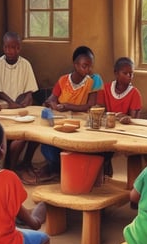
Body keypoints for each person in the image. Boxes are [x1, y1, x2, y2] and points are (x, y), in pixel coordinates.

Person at [39, 46, 102, 180]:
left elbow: (90, 106)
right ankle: (58, 168)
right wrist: (53, 104)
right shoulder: (63, 80)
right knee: (47, 146)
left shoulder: (93, 81)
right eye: (85, 66)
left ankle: (64, 170)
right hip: (60, 122)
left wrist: (68, 106)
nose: (88, 70)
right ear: (75, 65)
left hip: (80, 124)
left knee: (79, 148)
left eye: (90, 66)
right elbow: (51, 99)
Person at [0, 32, 40, 177]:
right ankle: (10, 169)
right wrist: (10, 103)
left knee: (35, 133)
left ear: (19, 48)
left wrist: (25, 100)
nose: (10, 51)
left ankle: (23, 163)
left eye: (14, 47)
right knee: (13, 138)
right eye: (7, 47)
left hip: (20, 110)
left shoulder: (25, 64)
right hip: (4, 108)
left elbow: (30, 91)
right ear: (3, 47)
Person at [97, 57, 142, 177]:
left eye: (131, 73)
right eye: (125, 73)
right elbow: (99, 111)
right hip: (106, 129)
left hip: (124, 132)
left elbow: (132, 120)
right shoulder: (105, 89)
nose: (129, 76)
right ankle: (103, 168)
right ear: (116, 73)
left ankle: (107, 168)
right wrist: (118, 115)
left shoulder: (134, 93)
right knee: (99, 145)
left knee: (135, 151)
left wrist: (122, 118)